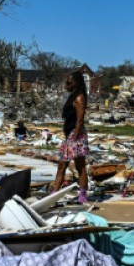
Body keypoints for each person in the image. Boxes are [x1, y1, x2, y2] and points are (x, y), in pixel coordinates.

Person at [52, 70, 90, 202]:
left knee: (77, 165)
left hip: (76, 135)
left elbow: (79, 120)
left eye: (68, 82)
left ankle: (82, 195)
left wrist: (74, 139)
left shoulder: (79, 98)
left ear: (76, 83)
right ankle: (54, 194)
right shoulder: (72, 97)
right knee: (63, 165)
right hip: (70, 135)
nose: (66, 85)